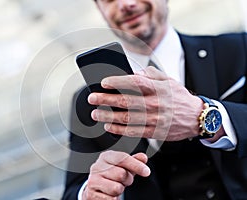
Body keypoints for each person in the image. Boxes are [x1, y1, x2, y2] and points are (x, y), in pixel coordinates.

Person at [63, 0, 247, 199]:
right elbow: (73, 192)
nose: (126, 3)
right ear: (100, 9)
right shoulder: (88, 100)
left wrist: (207, 116)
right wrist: (90, 192)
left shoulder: (238, 49)